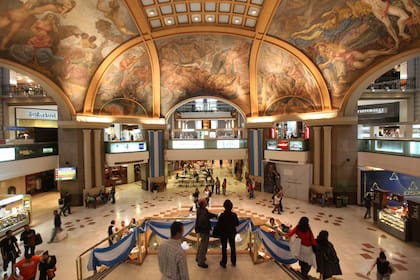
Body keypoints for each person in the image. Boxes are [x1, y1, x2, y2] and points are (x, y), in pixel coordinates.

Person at [195, 199, 217, 268]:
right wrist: (206, 228)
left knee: (202, 244)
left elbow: (208, 214)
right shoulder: (203, 211)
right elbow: (203, 220)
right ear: (203, 204)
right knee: (204, 246)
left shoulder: (200, 209)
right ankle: (201, 262)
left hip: (201, 230)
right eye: (205, 202)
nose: (207, 202)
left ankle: (198, 257)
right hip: (204, 231)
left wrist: (215, 215)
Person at [218, 199, 239, 268]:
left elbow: (219, 224)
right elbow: (237, 223)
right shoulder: (234, 215)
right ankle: (233, 261)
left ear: (224, 206)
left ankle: (224, 262)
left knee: (224, 247)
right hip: (232, 233)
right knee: (233, 247)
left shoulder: (222, 215)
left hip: (224, 233)